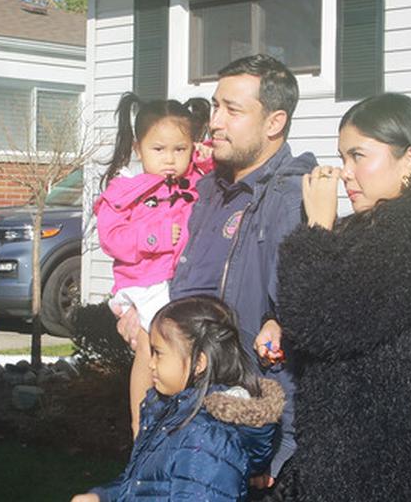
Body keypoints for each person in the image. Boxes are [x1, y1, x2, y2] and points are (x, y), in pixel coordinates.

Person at [117, 54, 316, 490]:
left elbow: (299, 332)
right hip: (183, 429)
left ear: (274, 122)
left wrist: (278, 454)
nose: (214, 123)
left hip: (244, 446)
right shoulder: (205, 191)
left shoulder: (287, 201)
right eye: (215, 106)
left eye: (232, 110)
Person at [262, 93, 411, 500]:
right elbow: (320, 321)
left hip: (387, 469)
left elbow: (322, 322)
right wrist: (280, 326)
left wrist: (318, 227)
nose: (345, 173)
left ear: (409, 160)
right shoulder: (367, 230)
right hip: (344, 458)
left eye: (359, 156)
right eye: (342, 157)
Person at [72, 296, 285, 502]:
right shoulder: (171, 412)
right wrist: (102, 496)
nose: (151, 364)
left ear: (199, 362)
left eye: (159, 353)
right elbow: (143, 485)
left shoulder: (209, 437)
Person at [94, 92, 213, 434]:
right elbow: (112, 239)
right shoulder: (127, 189)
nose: (170, 160)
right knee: (151, 345)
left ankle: (178, 418)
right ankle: (139, 424)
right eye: (158, 150)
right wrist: (155, 237)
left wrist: (205, 160)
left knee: (185, 351)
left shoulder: (195, 180)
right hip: (145, 282)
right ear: (137, 147)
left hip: (176, 280)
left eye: (180, 149)